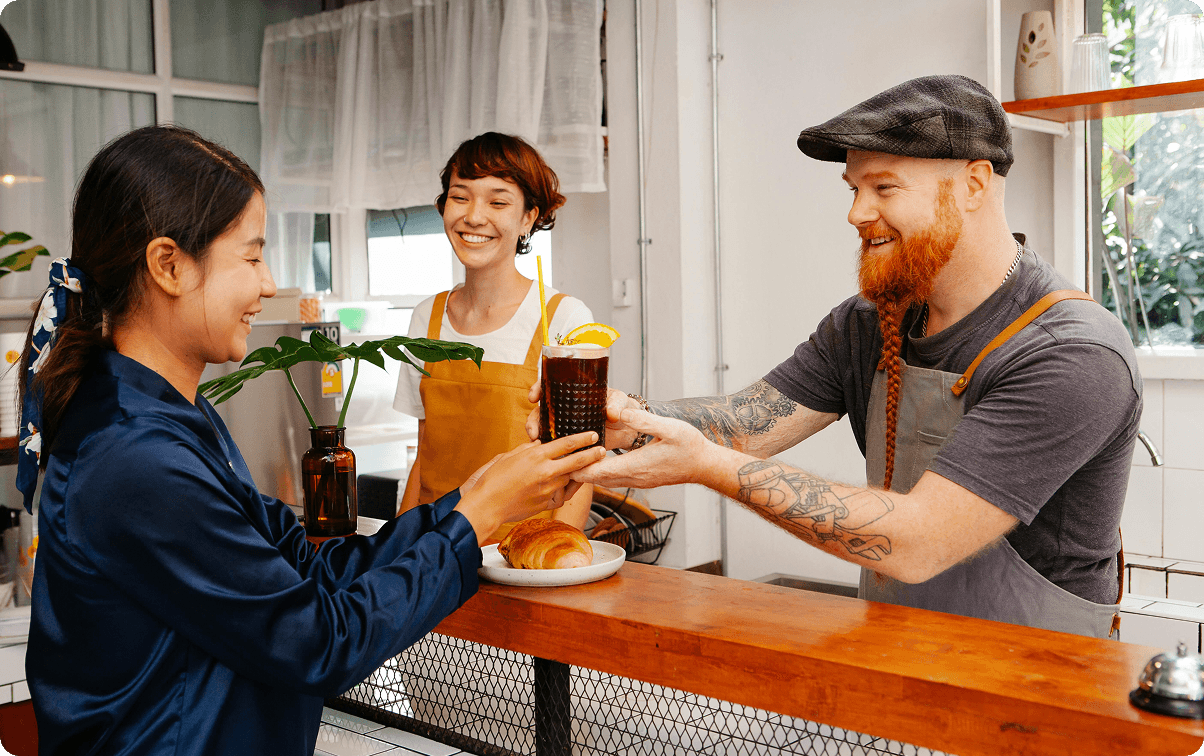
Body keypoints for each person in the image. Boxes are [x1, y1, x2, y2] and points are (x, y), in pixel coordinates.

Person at [21, 125, 604, 755]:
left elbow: (304, 564)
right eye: (250, 257)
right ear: (169, 265)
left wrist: (467, 505)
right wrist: (473, 520)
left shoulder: (173, 420)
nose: (269, 284)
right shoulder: (136, 456)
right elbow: (317, 641)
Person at [550, 75, 1140, 639]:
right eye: (854, 189)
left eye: (884, 188)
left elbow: (917, 541)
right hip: (895, 659)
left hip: (1042, 691)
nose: (856, 213)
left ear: (974, 185)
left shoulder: (1071, 354)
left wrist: (706, 465)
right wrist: (624, 420)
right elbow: (743, 425)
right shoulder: (869, 322)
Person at [395, 132, 596, 540]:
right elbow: (424, 458)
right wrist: (396, 555)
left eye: (497, 201)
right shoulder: (425, 319)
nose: (473, 216)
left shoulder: (564, 319)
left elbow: (581, 467)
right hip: (435, 556)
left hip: (521, 555)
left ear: (527, 218)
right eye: (460, 196)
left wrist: (546, 568)